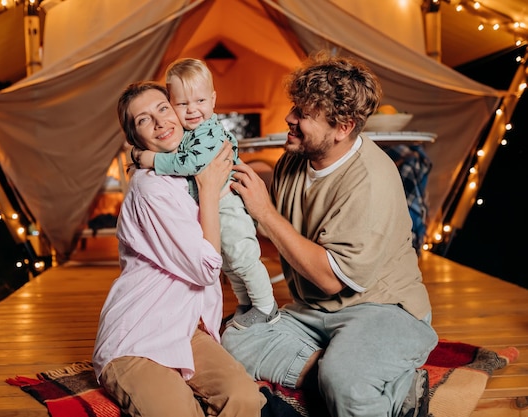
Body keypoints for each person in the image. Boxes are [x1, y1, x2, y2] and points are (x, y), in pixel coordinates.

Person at [221, 51, 439, 417]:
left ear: (343, 127)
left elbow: (330, 279)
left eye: (303, 114)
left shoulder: (370, 181)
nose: (289, 118)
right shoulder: (295, 158)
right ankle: (389, 387)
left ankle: (352, 375)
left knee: (346, 381)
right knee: (233, 339)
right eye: (295, 106)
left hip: (383, 310)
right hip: (311, 312)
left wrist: (264, 211)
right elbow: (276, 231)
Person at [92, 81, 266, 417]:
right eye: (143, 120)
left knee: (243, 399)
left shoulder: (187, 166)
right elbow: (204, 268)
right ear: (135, 138)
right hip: (137, 337)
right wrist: (209, 189)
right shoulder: (150, 190)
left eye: (162, 109)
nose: (159, 122)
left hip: (187, 330)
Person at [131, 58, 279, 329]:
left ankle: (266, 306)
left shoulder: (209, 133)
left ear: (213, 99)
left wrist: (151, 159)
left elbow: (191, 164)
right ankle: (245, 304)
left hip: (228, 205)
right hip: (213, 207)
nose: (192, 110)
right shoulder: (187, 133)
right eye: (182, 104)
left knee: (243, 256)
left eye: (199, 101)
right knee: (229, 262)